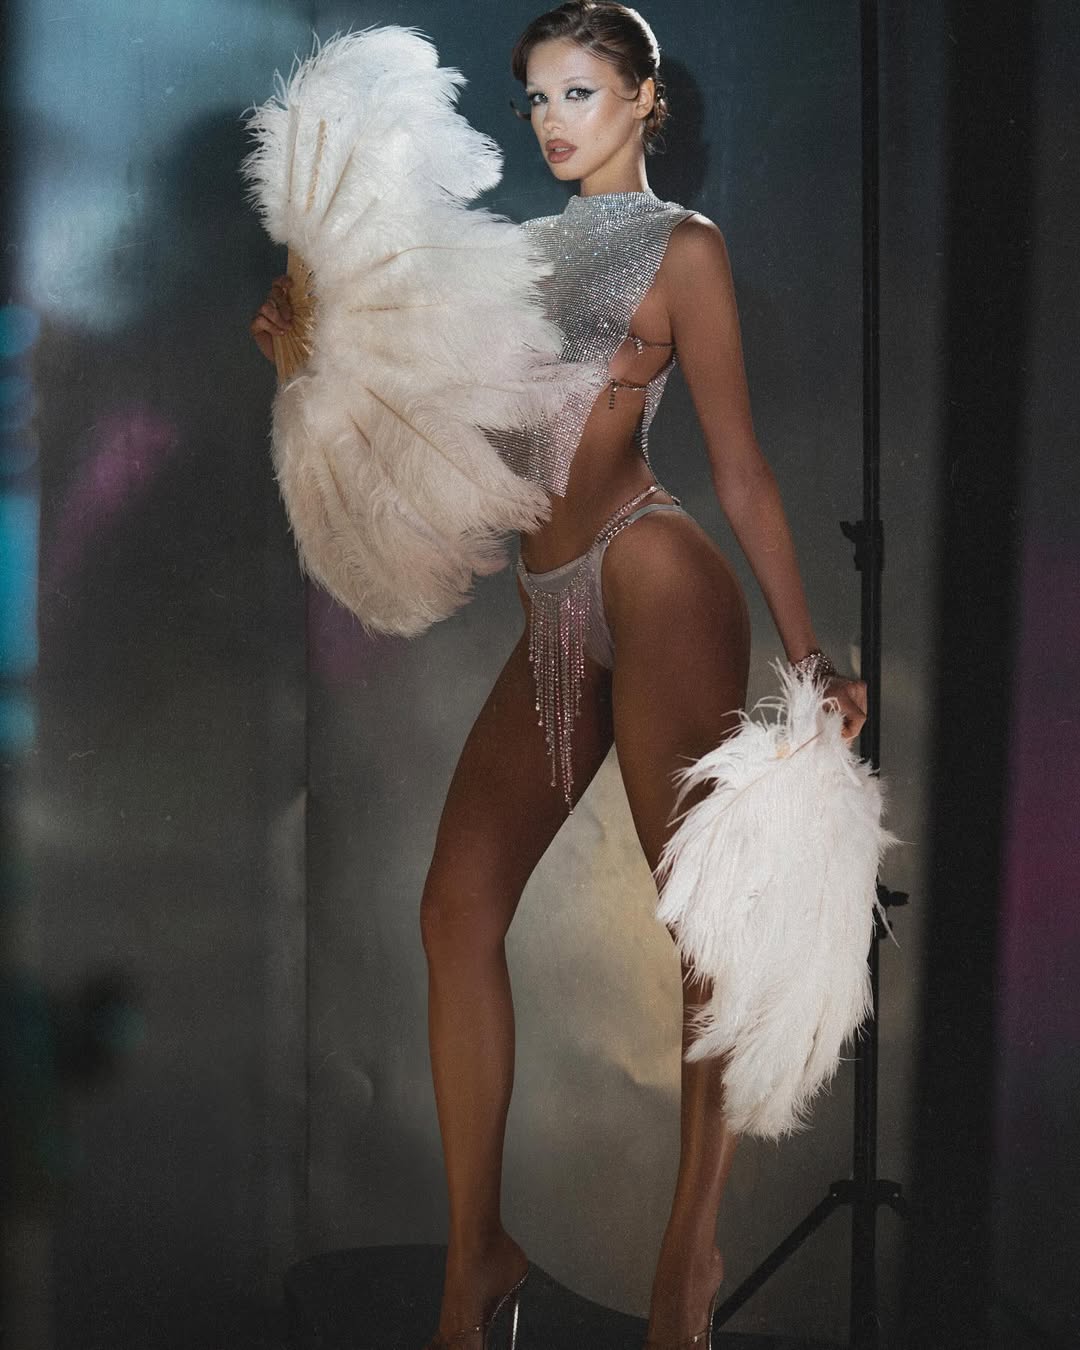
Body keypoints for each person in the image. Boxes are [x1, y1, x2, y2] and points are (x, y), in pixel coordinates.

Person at [251, 3, 868, 1346]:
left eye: (578, 93)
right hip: (551, 608)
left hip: (653, 573)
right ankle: (477, 1256)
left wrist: (812, 653)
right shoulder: (511, 257)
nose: (550, 121)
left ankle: (687, 1266)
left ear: (644, 100)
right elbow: (430, 423)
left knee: (699, 931)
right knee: (453, 910)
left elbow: (744, 471)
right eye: (536, 98)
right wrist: (313, 352)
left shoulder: (684, 248)